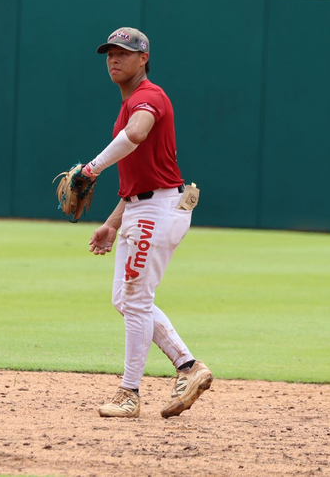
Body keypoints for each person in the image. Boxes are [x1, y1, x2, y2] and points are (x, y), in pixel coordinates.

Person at [81, 27, 212, 419]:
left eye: (123, 52)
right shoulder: (131, 101)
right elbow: (141, 181)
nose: (114, 59)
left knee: (136, 301)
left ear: (144, 59)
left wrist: (91, 169)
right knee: (126, 299)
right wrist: (111, 223)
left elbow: (135, 134)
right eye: (109, 53)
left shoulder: (148, 97)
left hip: (157, 211)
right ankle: (189, 368)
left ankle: (129, 394)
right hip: (144, 208)